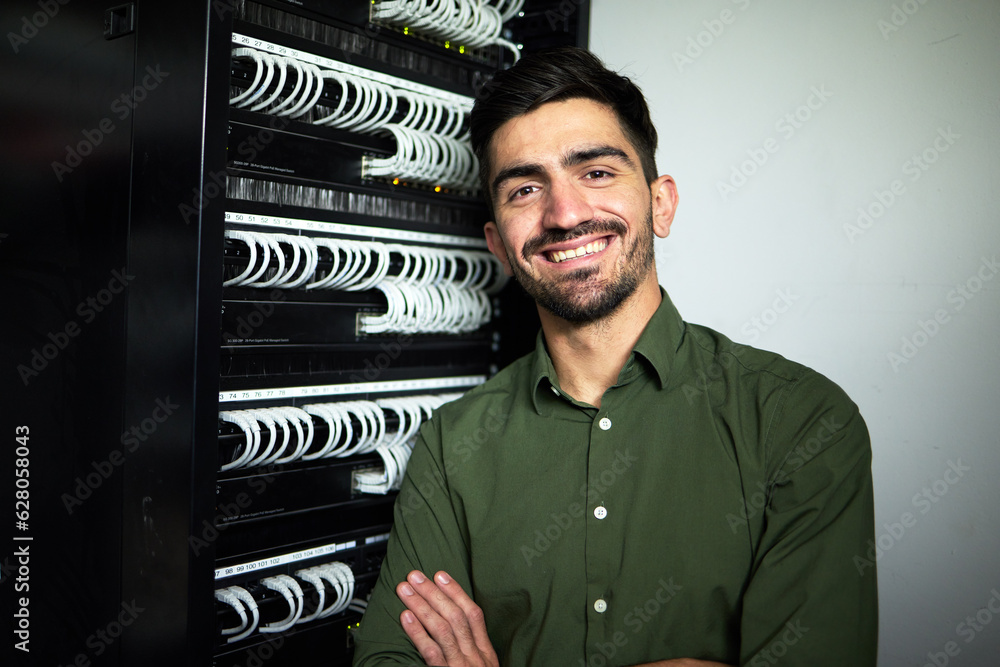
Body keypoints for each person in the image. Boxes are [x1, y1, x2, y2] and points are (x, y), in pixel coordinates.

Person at [352, 47, 877, 666]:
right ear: (498, 243)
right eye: (525, 188)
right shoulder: (454, 444)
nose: (565, 214)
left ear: (661, 204)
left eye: (596, 172)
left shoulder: (802, 421)